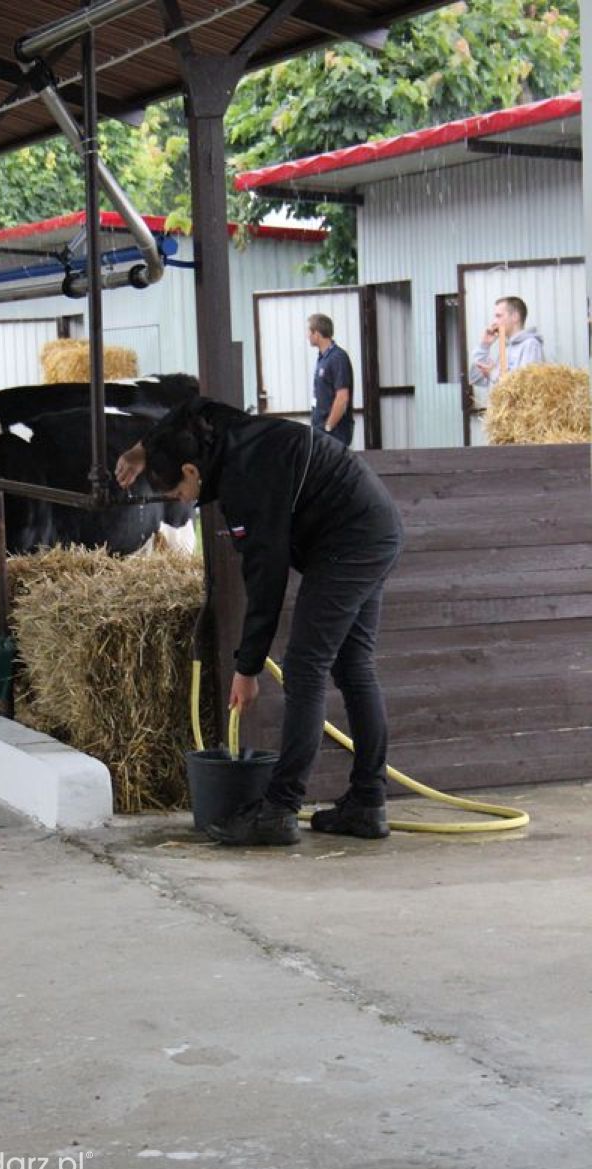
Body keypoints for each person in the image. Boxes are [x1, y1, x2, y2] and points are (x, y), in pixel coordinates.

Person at [115, 397, 403, 846]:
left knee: (305, 669)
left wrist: (247, 668)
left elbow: (265, 583)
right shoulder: (224, 433)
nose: (180, 502)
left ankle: (279, 810)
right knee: (352, 667)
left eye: (176, 493)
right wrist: (141, 450)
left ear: (192, 472)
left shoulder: (246, 483)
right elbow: (189, 408)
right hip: (373, 525)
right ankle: (368, 802)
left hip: (350, 539)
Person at [468, 296, 544, 387]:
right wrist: (484, 346)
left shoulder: (531, 345)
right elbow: (476, 378)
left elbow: (527, 386)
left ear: (515, 317)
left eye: (498, 316)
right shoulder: (505, 347)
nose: (494, 322)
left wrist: (493, 373)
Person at [308, 313, 354, 445]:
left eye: (309, 332)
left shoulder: (337, 358)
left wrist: (329, 426)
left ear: (317, 333)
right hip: (321, 429)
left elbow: (342, 397)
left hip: (334, 432)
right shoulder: (323, 358)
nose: (308, 336)